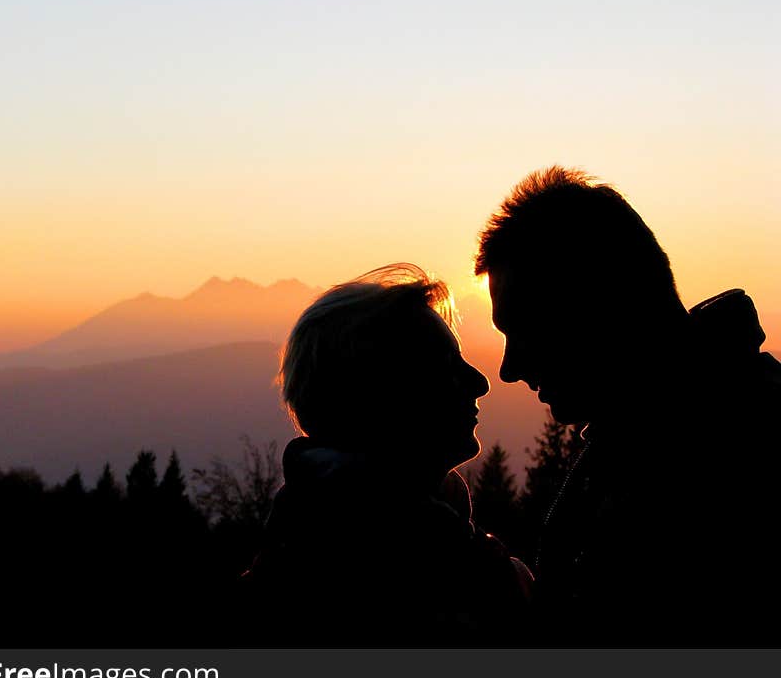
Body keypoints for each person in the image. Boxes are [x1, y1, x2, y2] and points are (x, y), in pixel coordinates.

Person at [474, 166, 781, 645]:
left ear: (598, 309)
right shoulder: (640, 443)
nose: (509, 369)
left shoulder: (741, 455)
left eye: (526, 330)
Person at [242, 264, 531, 646]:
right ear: (377, 395)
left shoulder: (316, 541)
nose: (480, 382)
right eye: (446, 365)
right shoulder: (393, 577)